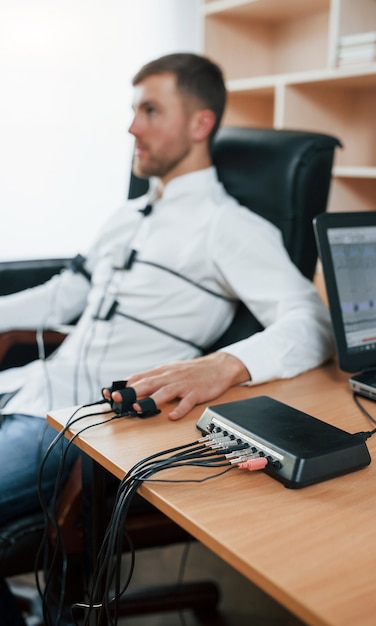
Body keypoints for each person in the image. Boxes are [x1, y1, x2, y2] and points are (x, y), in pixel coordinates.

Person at [0, 51, 333, 622]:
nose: (132, 127)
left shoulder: (229, 228)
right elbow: (65, 294)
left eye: (150, 110)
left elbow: (312, 322)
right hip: (27, 386)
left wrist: (224, 364)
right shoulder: (127, 217)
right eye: (134, 110)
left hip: (72, 428)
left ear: (200, 123)